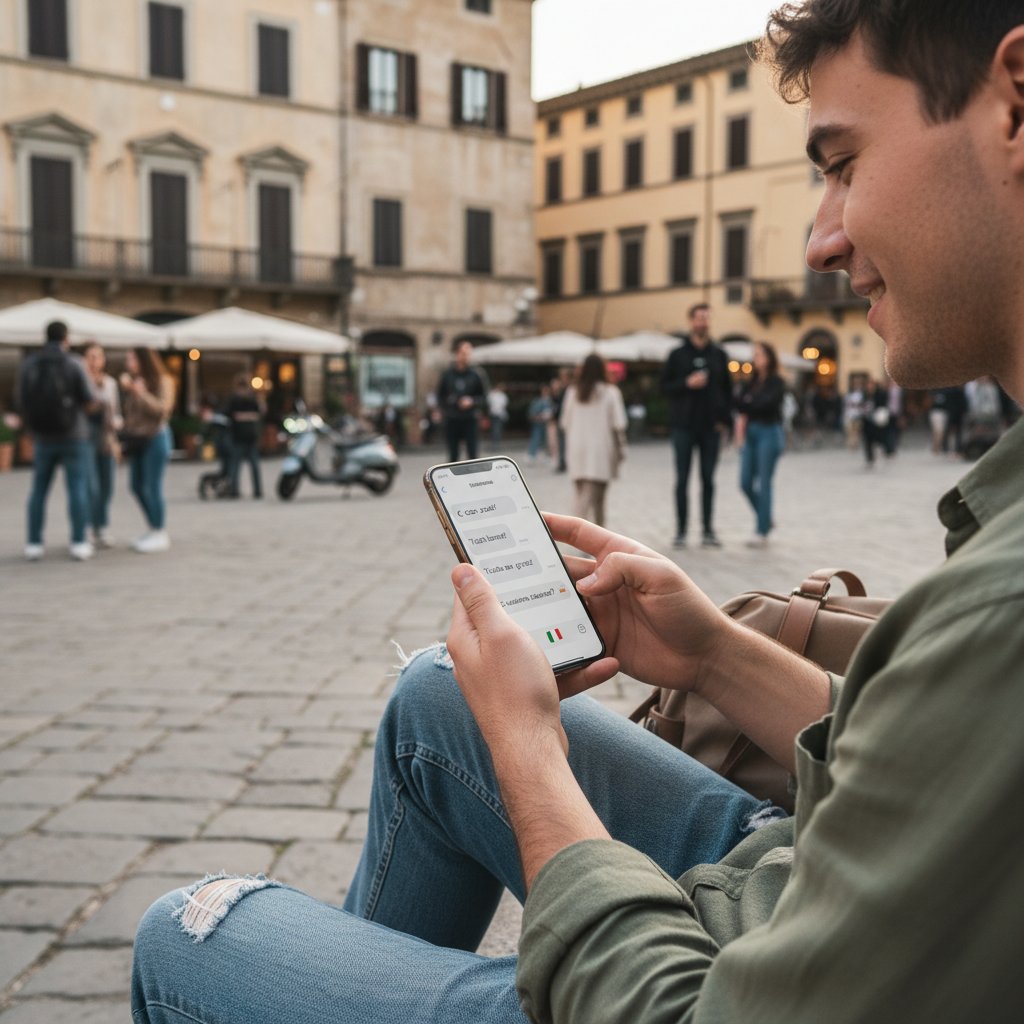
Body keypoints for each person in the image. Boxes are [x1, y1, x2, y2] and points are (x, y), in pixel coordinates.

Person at [133, 3, 1024, 1022]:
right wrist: (714, 657)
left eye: (842, 161)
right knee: (438, 695)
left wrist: (528, 748)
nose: (821, 236)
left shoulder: (1001, 604)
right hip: (817, 871)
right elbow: (941, 783)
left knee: (193, 926)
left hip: (733, 972)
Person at [17, 320, 98, 561]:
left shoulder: (30, 364)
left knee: (39, 490)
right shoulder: (73, 363)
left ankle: (33, 543)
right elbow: (89, 399)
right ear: (66, 338)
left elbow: (20, 400)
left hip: (43, 437)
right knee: (76, 489)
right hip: (74, 436)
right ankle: (79, 542)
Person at [660, 302, 732, 548]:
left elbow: (728, 391)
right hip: (683, 426)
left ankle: (708, 530)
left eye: (706, 318)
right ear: (691, 321)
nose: (703, 322)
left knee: (708, 479)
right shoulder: (677, 354)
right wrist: (686, 383)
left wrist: (725, 421)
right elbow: (664, 387)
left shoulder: (719, 354)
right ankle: (681, 530)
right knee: (682, 479)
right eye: (699, 318)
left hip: (711, 428)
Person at [559, 353, 627, 528]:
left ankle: (593, 537)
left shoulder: (572, 392)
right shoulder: (611, 392)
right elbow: (619, 424)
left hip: (576, 449)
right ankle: (583, 535)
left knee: (583, 494)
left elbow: (564, 422)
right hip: (601, 451)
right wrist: (622, 450)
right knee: (597, 499)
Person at [120, 347, 175, 553]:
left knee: (153, 486)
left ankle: (160, 531)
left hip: (156, 438)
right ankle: (152, 528)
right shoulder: (135, 381)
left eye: (131, 357)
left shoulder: (163, 380)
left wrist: (140, 393)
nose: (128, 361)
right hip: (137, 440)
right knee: (135, 485)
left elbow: (162, 410)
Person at [734, 341, 786, 547]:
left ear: (770, 357)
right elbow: (738, 404)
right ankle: (766, 518)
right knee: (745, 482)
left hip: (770, 433)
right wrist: (749, 404)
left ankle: (761, 530)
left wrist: (749, 404)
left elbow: (767, 405)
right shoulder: (752, 382)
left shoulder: (777, 382)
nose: (756, 358)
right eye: (754, 355)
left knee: (764, 483)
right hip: (751, 433)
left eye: (760, 354)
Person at [82, 341, 122, 547]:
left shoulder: (110, 383)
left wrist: (117, 424)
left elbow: (116, 412)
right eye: (90, 356)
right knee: (91, 486)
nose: (94, 361)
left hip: (107, 439)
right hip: (85, 439)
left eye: (98, 356)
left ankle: (102, 526)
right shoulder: (79, 381)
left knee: (107, 485)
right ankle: (87, 526)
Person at [437, 340, 489, 461]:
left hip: (470, 419)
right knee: (453, 455)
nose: (466, 356)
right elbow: (440, 396)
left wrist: (472, 402)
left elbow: (485, 398)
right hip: (452, 419)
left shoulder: (477, 374)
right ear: (457, 354)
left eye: (468, 353)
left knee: (473, 455)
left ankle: (473, 479)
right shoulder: (448, 374)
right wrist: (447, 406)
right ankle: (453, 480)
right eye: (463, 353)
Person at [225, 373, 263, 499]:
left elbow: (228, 415)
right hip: (249, 436)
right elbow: (259, 412)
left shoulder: (234, 398)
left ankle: (234, 490)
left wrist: (239, 417)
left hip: (238, 436)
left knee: (235, 465)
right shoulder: (252, 398)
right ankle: (257, 490)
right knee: (253, 465)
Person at [526, 383, 553, 463]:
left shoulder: (550, 400)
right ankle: (531, 455)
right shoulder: (538, 401)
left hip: (548, 423)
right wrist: (538, 417)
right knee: (536, 438)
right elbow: (532, 413)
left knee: (547, 440)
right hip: (539, 423)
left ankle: (548, 454)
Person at [486, 382, 509, 449]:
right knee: (495, 429)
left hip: (499, 415)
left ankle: (496, 444)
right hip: (494, 414)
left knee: (497, 429)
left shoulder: (503, 396)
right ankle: (494, 443)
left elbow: (504, 405)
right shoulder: (492, 394)